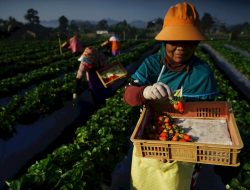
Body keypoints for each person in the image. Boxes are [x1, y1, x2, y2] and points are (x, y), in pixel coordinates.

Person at [112, 2, 218, 190]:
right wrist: (144, 92)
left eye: (189, 41)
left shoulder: (203, 73)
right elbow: (128, 95)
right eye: (174, 40)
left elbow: (208, 118)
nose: (181, 47)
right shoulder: (153, 64)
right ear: (164, 41)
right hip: (152, 142)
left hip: (187, 146)